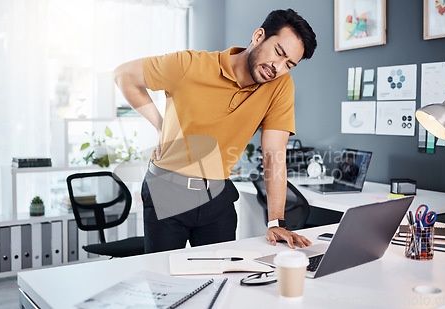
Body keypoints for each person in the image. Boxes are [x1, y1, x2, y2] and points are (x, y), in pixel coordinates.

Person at [114, 8, 317, 253]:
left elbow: (274, 152)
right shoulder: (189, 65)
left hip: (217, 195)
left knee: (222, 281)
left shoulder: (280, 85)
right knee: (165, 283)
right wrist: (160, 125)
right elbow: (124, 75)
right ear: (259, 36)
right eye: (279, 52)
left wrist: (276, 222)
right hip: (166, 189)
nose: (278, 67)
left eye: (289, 64)